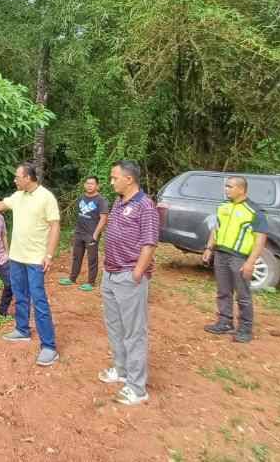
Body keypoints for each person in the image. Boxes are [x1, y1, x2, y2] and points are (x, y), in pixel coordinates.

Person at [0, 162, 61, 367]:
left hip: (35, 259)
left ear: (28, 178)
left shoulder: (46, 197)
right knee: (20, 294)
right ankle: (22, 330)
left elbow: (54, 227)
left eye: (17, 177)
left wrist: (49, 255)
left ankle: (49, 347)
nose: (15, 180)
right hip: (16, 257)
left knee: (39, 300)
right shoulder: (18, 197)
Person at [97, 159, 159, 406]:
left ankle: (137, 387)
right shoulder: (118, 202)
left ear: (129, 179)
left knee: (134, 332)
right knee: (115, 327)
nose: (111, 181)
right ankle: (121, 370)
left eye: (114, 177)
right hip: (110, 274)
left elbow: (150, 242)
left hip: (128, 276)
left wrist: (138, 272)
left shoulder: (145, 205)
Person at [201, 176, 269, 343]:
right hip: (221, 254)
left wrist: (250, 262)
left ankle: (245, 328)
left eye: (230, 187)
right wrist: (209, 248)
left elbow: (260, 239)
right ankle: (225, 322)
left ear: (241, 189)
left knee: (243, 294)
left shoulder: (254, 211)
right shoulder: (223, 207)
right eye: (226, 186)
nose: (226, 189)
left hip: (239, 257)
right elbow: (216, 229)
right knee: (223, 291)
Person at [59, 176, 109, 291]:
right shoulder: (81, 198)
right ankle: (72, 278)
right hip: (79, 233)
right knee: (76, 256)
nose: (89, 186)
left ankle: (91, 282)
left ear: (97, 186)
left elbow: (103, 218)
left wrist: (96, 234)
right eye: (87, 183)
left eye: (92, 184)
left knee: (92, 258)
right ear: (84, 185)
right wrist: (75, 230)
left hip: (91, 234)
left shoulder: (101, 200)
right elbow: (80, 215)